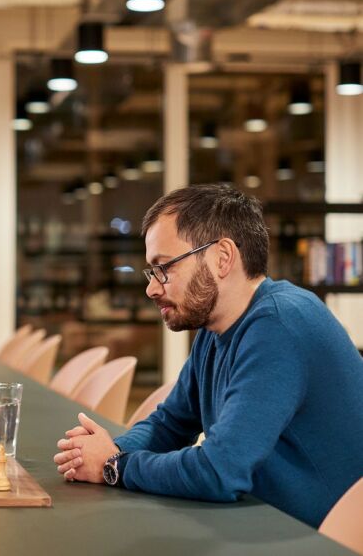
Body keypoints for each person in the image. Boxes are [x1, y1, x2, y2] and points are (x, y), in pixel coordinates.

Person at [52, 184, 363, 528]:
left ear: (222, 257)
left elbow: (221, 471)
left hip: (321, 541)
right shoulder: (215, 330)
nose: (151, 288)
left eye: (164, 267)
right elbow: (170, 424)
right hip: (267, 525)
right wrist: (102, 453)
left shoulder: (279, 325)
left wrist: (114, 466)